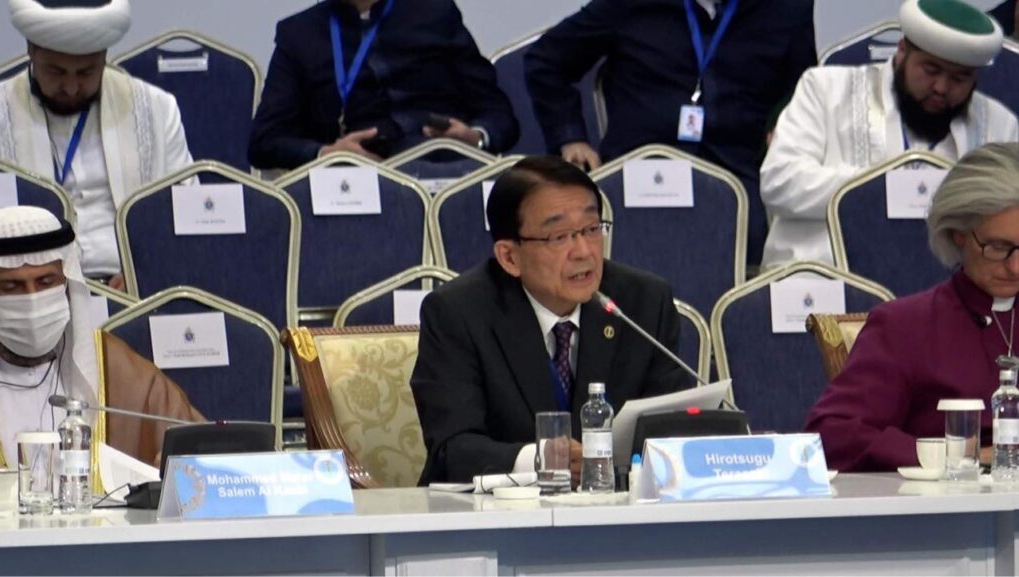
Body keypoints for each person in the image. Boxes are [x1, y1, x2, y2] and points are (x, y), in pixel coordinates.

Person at [410, 156, 695, 485]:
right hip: (498, 519)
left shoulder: (642, 303)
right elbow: (452, 449)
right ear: (509, 256)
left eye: (591, 229)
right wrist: (541, 459)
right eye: (559, 237)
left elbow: (671, 429)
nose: (583, 252)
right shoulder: (457, 313)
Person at [524, 0, 816, 266]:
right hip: (637, 174)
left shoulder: (785, 9)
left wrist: (784, 126)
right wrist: (570, 137)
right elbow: (545, 61)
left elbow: (803, 90)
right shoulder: (628, 6)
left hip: (737, 176)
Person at [804, 142, 1019, 472]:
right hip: (952, 512)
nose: (1015, 267)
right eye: (998, 247)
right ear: (957, 233)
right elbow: (832, 434)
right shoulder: (906, 326)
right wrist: (954, 456)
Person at [760, 0, 1019, 269]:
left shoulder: (999, 124)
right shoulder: (825, 91)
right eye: (931, 70)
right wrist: (885, 188)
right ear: (902, 52)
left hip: (945, 295)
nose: (941, 87)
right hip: (833, 283)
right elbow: (780, 183)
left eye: (958, 79)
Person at [0, 0, 194, 289]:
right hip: (25, 295)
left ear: (104, 57)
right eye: (56, 72)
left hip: (133, 293)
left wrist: (148, 272)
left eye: (86, 73)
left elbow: (185, 214)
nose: (72, 88)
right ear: (30, 49)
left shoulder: (156, 109)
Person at [0, 206, 203, 468]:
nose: (32, 300)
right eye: (12, 286)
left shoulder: (116, 368)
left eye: (46, 282)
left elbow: (201, 447)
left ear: (67, 285)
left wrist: (184, 465)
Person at [247, 0, 519, 170]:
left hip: (447, 168)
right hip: (354, 181)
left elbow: (499, 116)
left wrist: (474, 138)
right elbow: (264, 142)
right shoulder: (299, 33)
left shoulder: (435, 12)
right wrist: (326, 153)